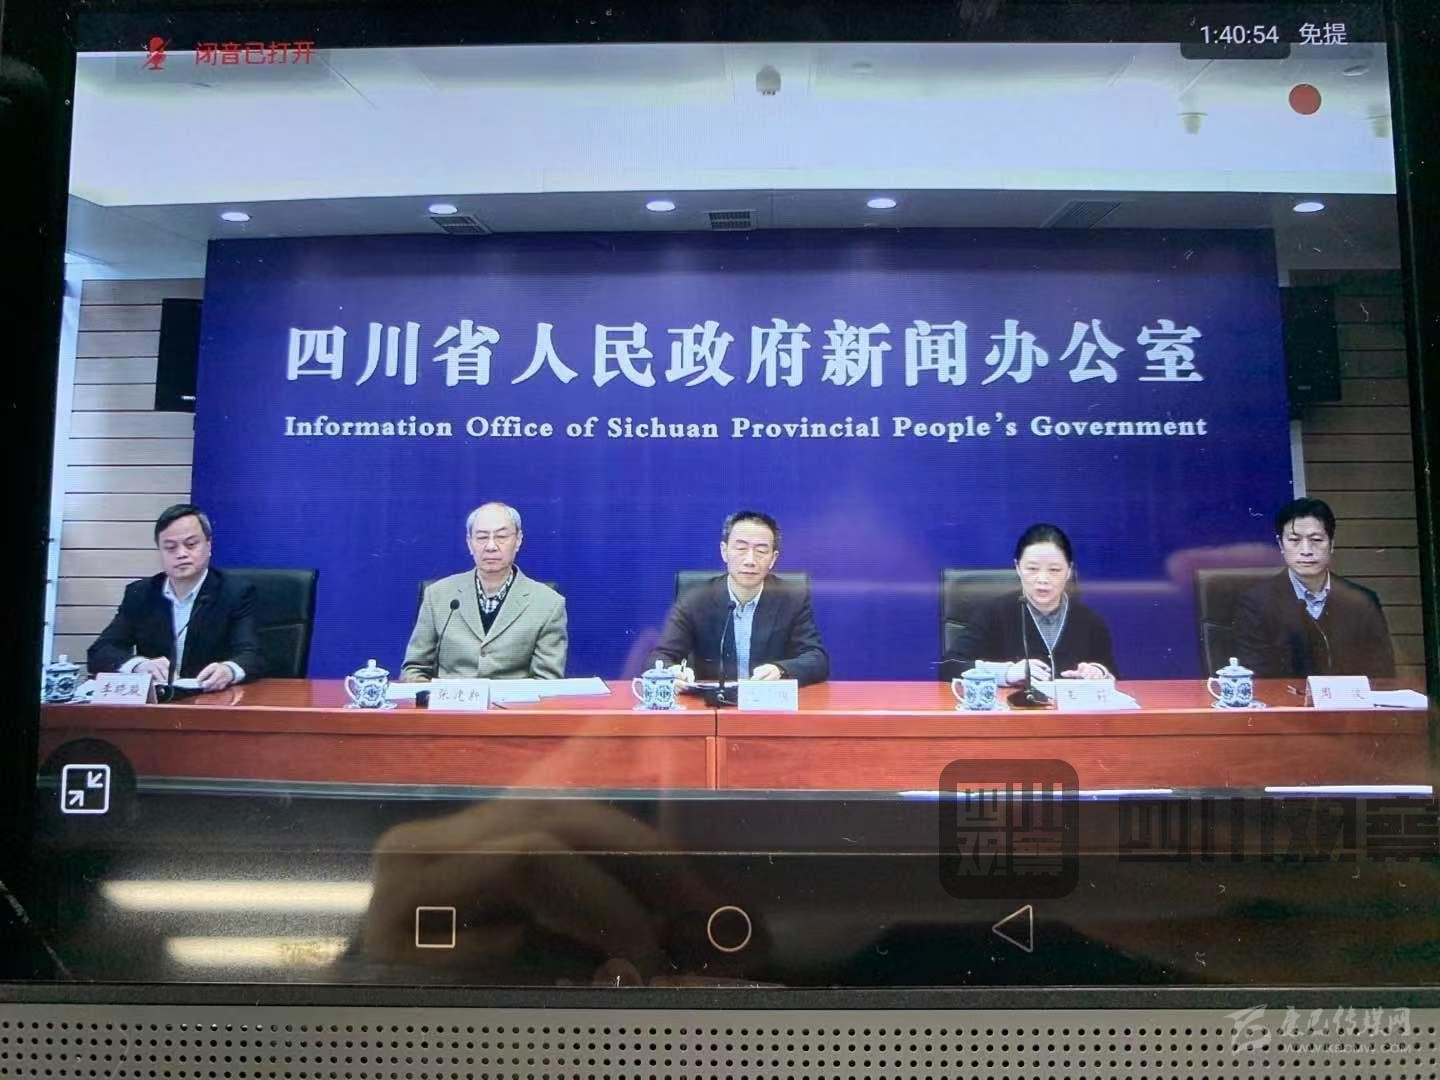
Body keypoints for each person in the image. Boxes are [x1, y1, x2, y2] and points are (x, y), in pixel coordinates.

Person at [87, 503, 266, 690]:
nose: (181, 554)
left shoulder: (236, 592)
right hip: (159, 700)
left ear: (208, 545)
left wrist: (228, 670)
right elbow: (101, 651)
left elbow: (252, 654)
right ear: (160, 551)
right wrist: (139, 665)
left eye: (191, 545)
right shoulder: (140, 594)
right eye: (170, 547)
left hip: (214, 697)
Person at [648, 510, 829, 685]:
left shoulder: (792, 599)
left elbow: (817, 659)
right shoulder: (695, 600)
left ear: (773, 559)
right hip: (711, 701)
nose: (750, 560)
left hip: (767, 701)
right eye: (741, 548)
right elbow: (659, 658)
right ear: (724, 551)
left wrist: (780, 669)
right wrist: (672, 672)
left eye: (761, 550)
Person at [1230, 497, 1395, 678]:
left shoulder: (1362, 601)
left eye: (1316, 539)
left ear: (1331, 544)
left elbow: (1382, 675)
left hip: (1349, 697)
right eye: (1294, 540)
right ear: (1281, 545)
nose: (1306, 550)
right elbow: (1257, 679)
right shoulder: (1255, 603)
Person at [401, 502, 567, 680]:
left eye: (501, 536)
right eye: (482, 537)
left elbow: (546, 682)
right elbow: (414, 669)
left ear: (518, 540)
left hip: (513, 698)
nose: (491, 546)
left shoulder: (548, 604)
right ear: (469, 542)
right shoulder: (438, 595)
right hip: (451, 698)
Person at [941, 523, 1117, 684]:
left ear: (1069, 571)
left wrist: (1099, 672)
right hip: (1012, 708)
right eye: (1032, 569)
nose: (1043, 579)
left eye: (1054, 570)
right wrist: (1006, 673)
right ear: (1018, 568)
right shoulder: (995, 613)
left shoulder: (1089, 620)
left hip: (1070, 709)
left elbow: (1112, 672)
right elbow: (949, 666)